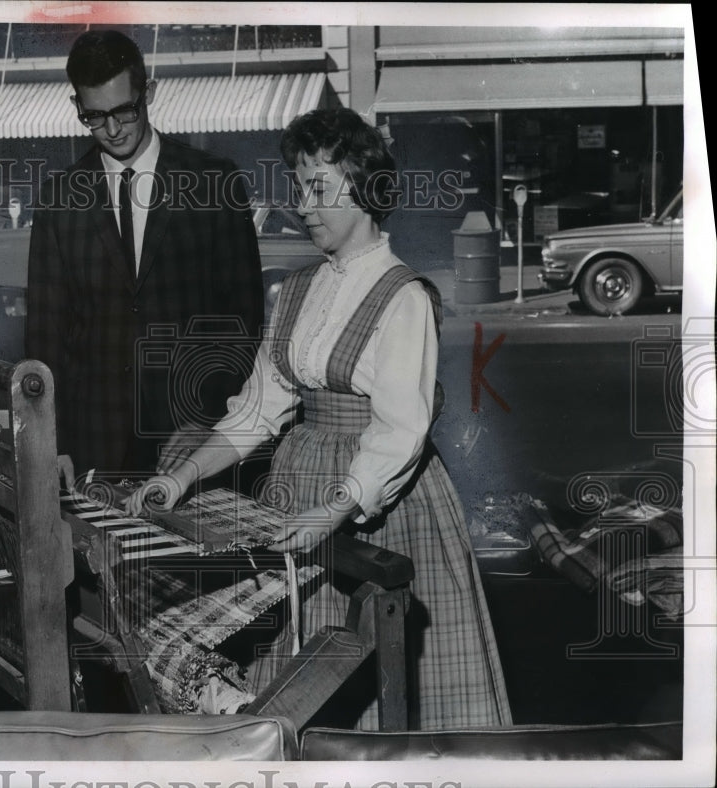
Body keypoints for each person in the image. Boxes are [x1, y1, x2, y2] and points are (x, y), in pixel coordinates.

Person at [127, 108, 513, 731]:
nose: (302, 204)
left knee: (372, 673)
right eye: (296, 185)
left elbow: (399, 432)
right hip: (298, 486)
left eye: (318, 188)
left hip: (381, 507)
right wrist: (183, 477)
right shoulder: (297, 290)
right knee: (295, 678)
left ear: (363, 190)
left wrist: (333, 510)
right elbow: (256, 410)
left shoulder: (403, 295)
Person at [26, 30, 264, 479]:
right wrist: (51, 443)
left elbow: (241, 319)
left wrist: (205, 419)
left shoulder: (215, 183)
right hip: (91, 443)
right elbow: (45, 335)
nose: (112, 130)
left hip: (194, 439)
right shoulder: (59, 199)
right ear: (76, 104)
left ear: (148, 93)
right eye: (94, 116)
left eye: (123, 111)